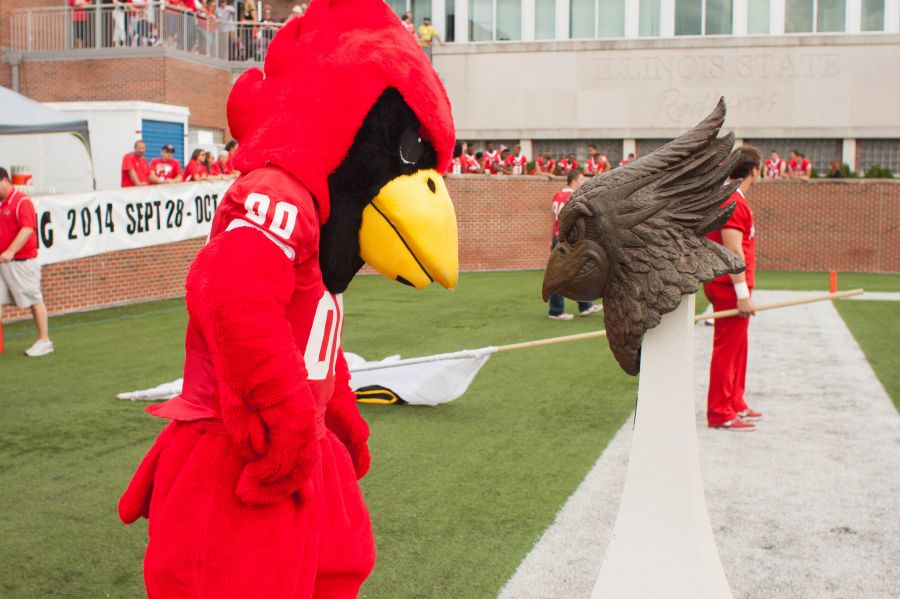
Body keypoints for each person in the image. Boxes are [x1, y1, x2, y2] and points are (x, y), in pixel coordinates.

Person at [704, 145, 764, 431]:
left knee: (739, 347)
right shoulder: (733, 201)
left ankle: (735, 401)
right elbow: (733, 251)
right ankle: (720, 411)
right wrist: (741, 294)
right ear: (754, 170)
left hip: (734, 286)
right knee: (728, 349)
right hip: (729, 287)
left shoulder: (735, 198)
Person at [0, 168, 53, 357]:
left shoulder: (21, 201)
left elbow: (27, 229)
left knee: (34, 300)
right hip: (3, 263)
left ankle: (44, 340)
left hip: (22, 261)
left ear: (4, 180)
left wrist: (10, 251)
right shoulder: (2, 204)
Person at [548, 169, 601, 320]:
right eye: (581, 178)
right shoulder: (573, 196)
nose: (583, 180)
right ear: (575, 179)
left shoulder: (558, 195)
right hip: (568, 239)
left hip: (559, 236)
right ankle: (556, 311)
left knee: (577, 271)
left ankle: (585, 306)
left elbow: (554, 218)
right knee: (562, 274)